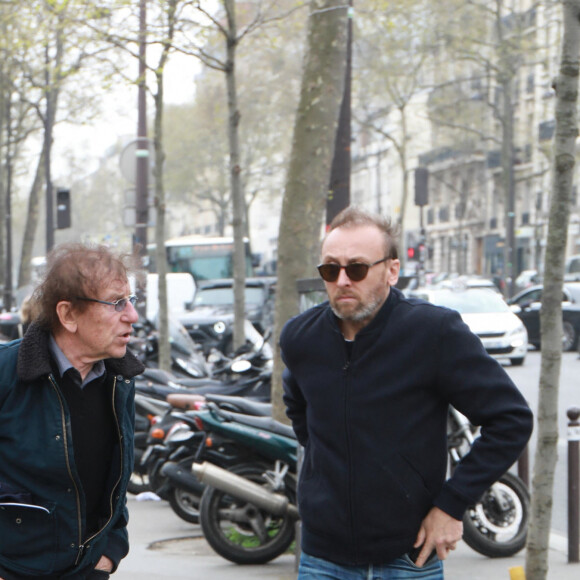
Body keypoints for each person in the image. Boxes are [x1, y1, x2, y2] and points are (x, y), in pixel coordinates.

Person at [280, 206, 533, 579]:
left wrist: (451, 505)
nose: (343, 280)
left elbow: (510, 418)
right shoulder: (300, 338)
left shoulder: (433, 332)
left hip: (408, 559)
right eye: (331, 269)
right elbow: (300, 412)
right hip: (322, 559)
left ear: (392, 270)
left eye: (358, 268)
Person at [0, 243, 145, 579]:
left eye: (131, 300)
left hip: (88, 570)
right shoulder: (7, 374)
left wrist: (110, 551)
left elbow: (117, 483)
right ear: (67, 315)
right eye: (116, 303)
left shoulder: (119, 379)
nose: (132, 316)